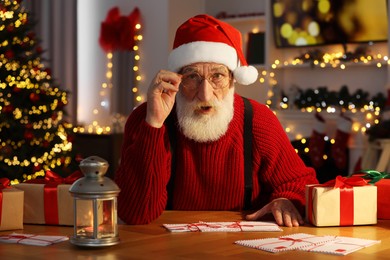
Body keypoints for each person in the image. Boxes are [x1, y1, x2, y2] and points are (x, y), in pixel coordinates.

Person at [114, 14, 318, 227]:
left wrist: (285, 200)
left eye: (217, 76)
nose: (205, 94)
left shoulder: (259, 120)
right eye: (192, 76)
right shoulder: (145, 120)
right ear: (176, 80)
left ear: (232, 79)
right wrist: (154, 125)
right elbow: (136, 214)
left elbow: (299, 183)